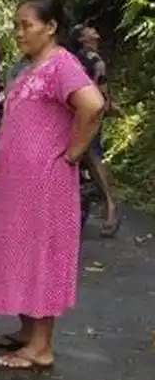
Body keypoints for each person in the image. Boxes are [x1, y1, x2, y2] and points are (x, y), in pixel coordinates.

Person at [0, 0, 104, 370]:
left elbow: (92, 105)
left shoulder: (62, 64)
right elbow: (10, 130)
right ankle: (28, 332)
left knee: (42, 254)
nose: (19, 32)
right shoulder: (28, 69)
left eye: (27, 25)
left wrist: (74, 152)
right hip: (18, 181)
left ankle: (41, 347)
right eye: (17, 25)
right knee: (20, 250)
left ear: (51, 27)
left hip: (46, 179)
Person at [71, 24, 120, 236]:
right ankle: (108, 204)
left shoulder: (79, 58)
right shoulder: (91, 59)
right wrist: (107, 104)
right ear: (83, 39)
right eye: (89, 30)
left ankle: (108, 205)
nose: (94, 31)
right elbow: (100, 86)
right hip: (88, 113)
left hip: (81, 112)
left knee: (89, 153)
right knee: (91, 154)